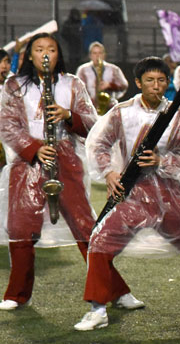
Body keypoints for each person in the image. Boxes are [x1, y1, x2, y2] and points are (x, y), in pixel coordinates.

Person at [74, 56, 180, 330]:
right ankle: (98, 309)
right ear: (138, 83)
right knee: (100, 242)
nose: (156, 86)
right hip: (132, 194)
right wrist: (110, 172)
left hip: (169, 195)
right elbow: (99, 144)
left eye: (161, 80)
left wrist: (161, 162)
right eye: (149, 81)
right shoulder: (121, 112)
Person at [0, 33, 106, 311]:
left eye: (51, 49)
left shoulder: (73, 83)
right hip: (28, 163)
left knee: (85, 225)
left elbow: (93, 124)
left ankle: (112, 289)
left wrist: (69, 115)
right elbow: (8, 125)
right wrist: (33, 148)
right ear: (29, 55)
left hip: (66, 160)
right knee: (21, 227)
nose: (45, 54)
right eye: (39, 49)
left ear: (59, 54)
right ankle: (17, 294)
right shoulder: (14, 85)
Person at [74, 42, 129, 112]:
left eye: (100, 53)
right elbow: (77, 89)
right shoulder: (82, 70)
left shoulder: (114, 69)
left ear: (104, 55)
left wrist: (110, 85)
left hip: (110, 108)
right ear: (90, 55)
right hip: (89, 109)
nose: (97, 56)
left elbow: (124, 85)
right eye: (94, 53)